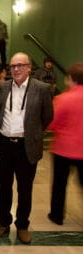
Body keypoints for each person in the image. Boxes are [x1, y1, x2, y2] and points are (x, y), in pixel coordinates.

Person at [0, 52, 53, 244]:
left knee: (25, 190)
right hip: (4, 146)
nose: (16, 69)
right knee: (3, 187)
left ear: (29, 67)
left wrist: (33, 133)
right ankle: (2, 222)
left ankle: (23, 225)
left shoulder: (42, 89)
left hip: (26, 147)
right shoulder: (1, 87)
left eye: (20, 65)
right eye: (12, 66)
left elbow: (47, 117)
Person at [47, 63, 83, 226]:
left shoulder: (63, 98)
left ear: (71, 79)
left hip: (63, 148)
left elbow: (51, 123)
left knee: (60, 184)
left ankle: (57, 215)